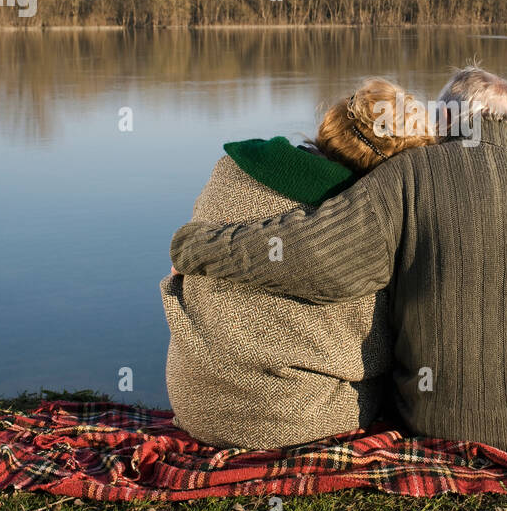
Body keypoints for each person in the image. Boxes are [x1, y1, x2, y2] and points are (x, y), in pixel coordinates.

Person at [170, 66, 507, 451]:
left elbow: (317, 257)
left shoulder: (408, 174)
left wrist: (198, 247)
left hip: (436, 418)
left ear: (443, 121)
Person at [160, 76, 434, 448]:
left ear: (333, 120)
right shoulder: (370, 220)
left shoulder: (232, 167)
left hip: (195, 401)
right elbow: (386, 345)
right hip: (297, 418)